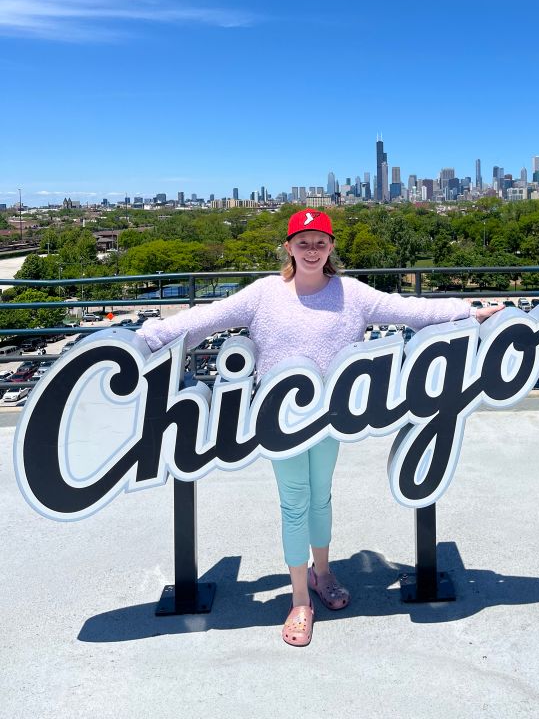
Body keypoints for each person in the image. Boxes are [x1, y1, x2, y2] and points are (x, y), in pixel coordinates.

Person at [137, 209, 503, 646]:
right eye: (303, 242)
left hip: (332, 417)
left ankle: (322, 573)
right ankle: (299, 601)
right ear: (288, 247)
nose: (312, 251)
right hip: (278, 421)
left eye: (321, 243)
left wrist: (469, 311)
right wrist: (148, 338)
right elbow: (206, 318)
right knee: (295, 502)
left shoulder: (353, 294)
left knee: (321, 497)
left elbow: (411, 310)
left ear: (331, 248)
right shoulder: (263, 295)